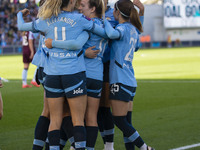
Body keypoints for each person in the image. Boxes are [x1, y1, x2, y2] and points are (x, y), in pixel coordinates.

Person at [17, 0, 107, 149]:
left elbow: (21, 26)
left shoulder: (45, 19)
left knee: (54, 119)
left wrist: (20, 14)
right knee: (78, 120)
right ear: (71, 1)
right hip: (73, 73)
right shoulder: (80, 19)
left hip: (51, 74)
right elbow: (104, 33)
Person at [104, 0, 154, 150]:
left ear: (118, 13)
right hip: (130, 80)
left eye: (114, 10)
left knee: (119, 120)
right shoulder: (133, 29)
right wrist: (142, 13)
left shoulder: (122, 28)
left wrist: (101, 20)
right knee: (127, 122)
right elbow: (137, 46)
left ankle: (145, 148)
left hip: (120, 80)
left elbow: (112, 33)